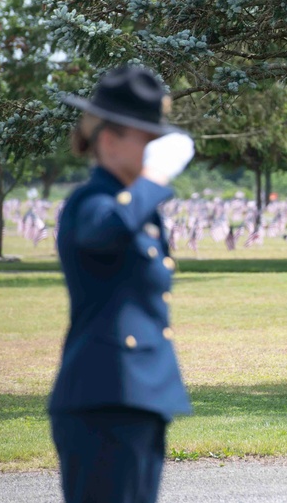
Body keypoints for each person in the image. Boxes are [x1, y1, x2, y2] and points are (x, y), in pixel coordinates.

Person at [49, 65, 196, 503]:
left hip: (140, 395)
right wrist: (153, 182)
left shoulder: (137, 208)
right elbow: (104, 232)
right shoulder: (91, 203)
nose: (154, 150)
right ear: (109, 140)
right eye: (146, 139)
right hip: (103, 400)